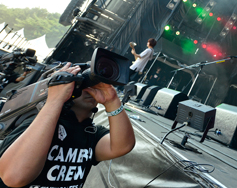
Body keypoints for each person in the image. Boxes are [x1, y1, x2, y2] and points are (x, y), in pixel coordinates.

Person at [0, 63, 136, 188]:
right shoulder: (39, 125)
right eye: (82, 84)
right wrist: (55, 98)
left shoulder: (91, 133)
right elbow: (14, 178)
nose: (89, 90)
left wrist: (112, 101)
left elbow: (122, 146)